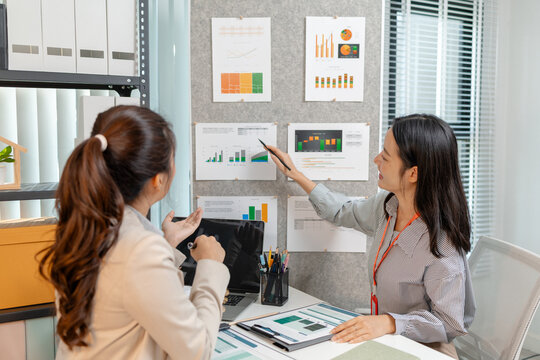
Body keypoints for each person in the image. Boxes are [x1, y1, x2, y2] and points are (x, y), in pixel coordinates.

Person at [266, 114, 475, 359]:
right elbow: (341, 211)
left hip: (427, 350)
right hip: (389, 342)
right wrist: (297, 175)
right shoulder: (388, 207)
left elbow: (451, 323)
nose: (376, 160)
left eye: (385, 156)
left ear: (413, 173)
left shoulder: (442, 244)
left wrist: (388, 323)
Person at [39, 106, 229, 359]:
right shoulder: (139, 247)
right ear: (157, 180)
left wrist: (167, 244)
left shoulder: (87, 225)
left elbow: (125, 290)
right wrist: (210, 265)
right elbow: (197, 351)